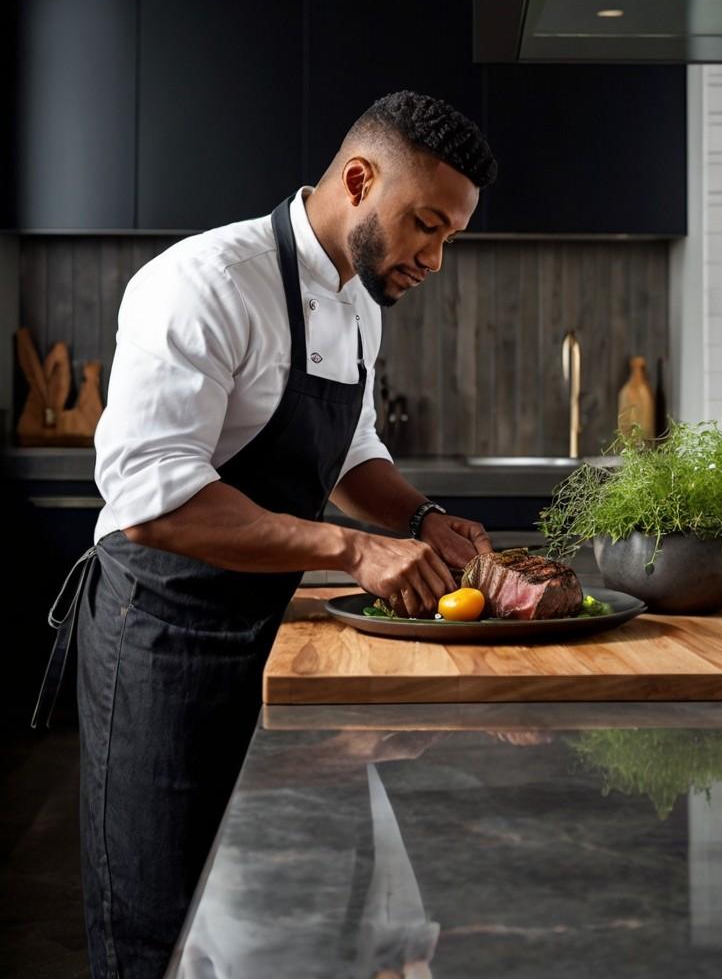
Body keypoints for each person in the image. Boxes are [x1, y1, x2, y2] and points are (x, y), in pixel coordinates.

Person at [56, 89, 497, 979]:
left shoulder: (359, 300)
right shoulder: (206, 283)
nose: (436, 258)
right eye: (424, 225)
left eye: (450, 235)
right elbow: (153, 499)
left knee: (277, 908)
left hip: (269, 639)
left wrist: (418, 519)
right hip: (164, 646)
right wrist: (351, 549)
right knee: (160, 921)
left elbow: (348, 452)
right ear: (360, 180)